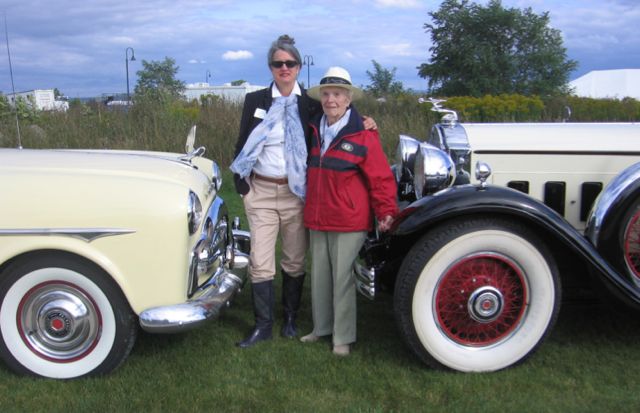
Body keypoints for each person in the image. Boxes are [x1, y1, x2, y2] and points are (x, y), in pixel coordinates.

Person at [230, 35, 376, 348]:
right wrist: (242, 186)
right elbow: (243, 142)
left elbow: (340, 109)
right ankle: (263, 325)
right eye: (277, 63)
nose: (284, 68)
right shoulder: (255, 100)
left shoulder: (308, 103)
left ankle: (292, 319)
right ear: (271, 67)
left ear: (298, 67)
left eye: (290, 63)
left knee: (295, 259)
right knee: (260, 260)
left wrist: (366, 121)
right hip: (261, 190)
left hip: (296, 193)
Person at [300, 67, 398, 356]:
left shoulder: (363, 133)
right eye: (327, 94)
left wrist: (386, 211)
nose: (331, 100)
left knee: (343, 278)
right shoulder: (315, 127)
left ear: (348, 98)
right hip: (318, 216)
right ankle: (321, 328)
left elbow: (380, 177)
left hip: (348, 218)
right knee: (320, 277)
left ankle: (342, 337)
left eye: (337, 95)